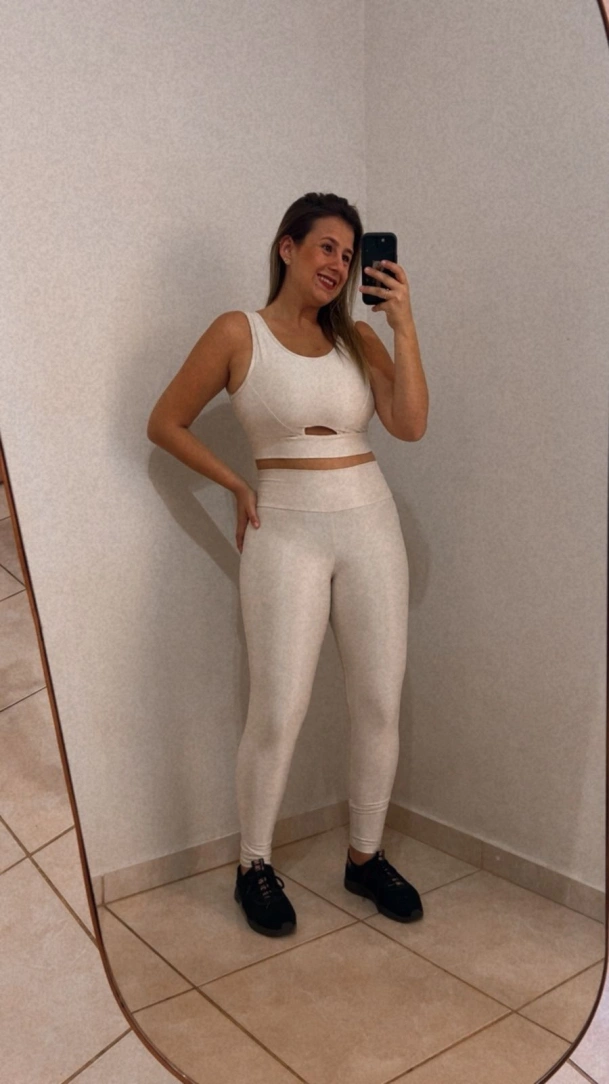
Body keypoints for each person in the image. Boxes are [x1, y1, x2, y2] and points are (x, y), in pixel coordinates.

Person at [147, 191, 429, 939]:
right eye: (326, 246)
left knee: (379, 701)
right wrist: (237, 484)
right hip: (285, 530)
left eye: (349, 253)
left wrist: (402, 325)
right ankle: (253, 865)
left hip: (370, 522)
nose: (338, 263)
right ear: (288, 247)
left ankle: (364, 856)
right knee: (278, 709)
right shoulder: (238, 332)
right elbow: (165, 421)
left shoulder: (358, 338)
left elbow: (409, 424)